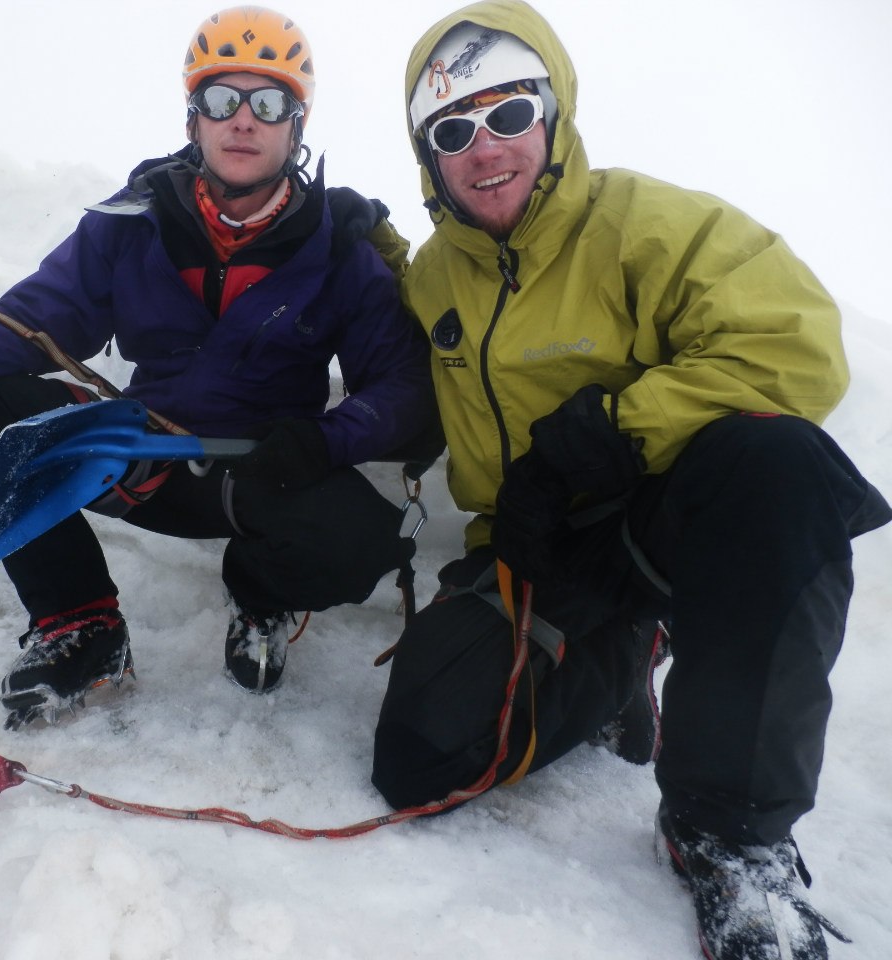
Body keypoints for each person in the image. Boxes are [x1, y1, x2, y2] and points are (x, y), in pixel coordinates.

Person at [372, 2, 890, 958]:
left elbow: (794, 349)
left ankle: (729, 835)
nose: (485, 150)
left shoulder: (647, 225)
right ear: (427, 159)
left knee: (779, 465)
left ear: (553, 111)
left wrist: (610, 430)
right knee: (424, 759)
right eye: (452, 131)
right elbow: (366, 322)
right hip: (537, 551)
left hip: (663, 519)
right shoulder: (434, 279)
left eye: (508, 115)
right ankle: (616, 660)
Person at [0, 6, 438, 727]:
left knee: (358, 542)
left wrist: (324, 441)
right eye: (222, 100)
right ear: (193, 117)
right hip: (144, 464)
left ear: (298, 122)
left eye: (270, 101)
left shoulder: (340, 251)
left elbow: (403, 385)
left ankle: (260, 594)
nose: (243, 121)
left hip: (263, 474)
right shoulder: (131, 223)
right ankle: (83, 625)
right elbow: (27, 324)